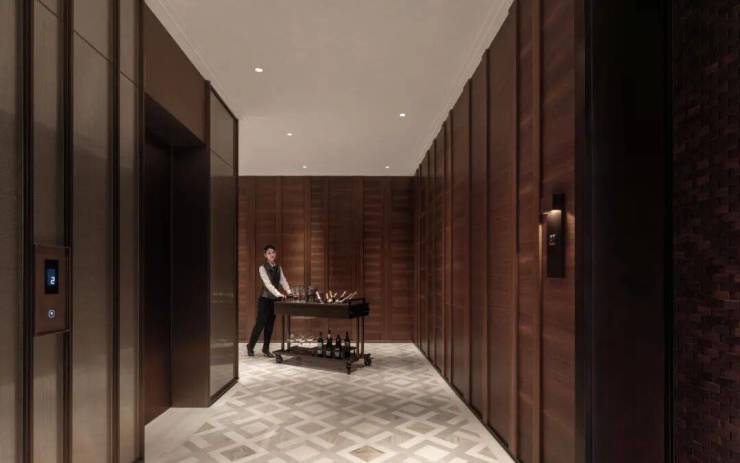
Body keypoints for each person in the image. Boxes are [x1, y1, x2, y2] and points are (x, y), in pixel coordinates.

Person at [247, 244, 292, 357]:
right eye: (269, 253)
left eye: (273, 252)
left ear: (275, 254)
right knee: (260, 324)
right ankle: (250, 346)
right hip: (265, 300)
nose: (271, 254)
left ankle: (265, 348)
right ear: (265, 255)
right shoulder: (262, 268)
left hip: (274, 301)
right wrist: (280, 294)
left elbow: (283, 281)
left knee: (270, 325)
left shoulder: (278, 267)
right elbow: (268, 285)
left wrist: (289, 292)